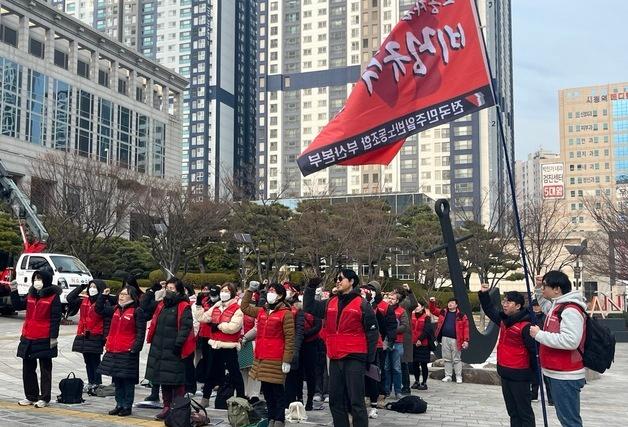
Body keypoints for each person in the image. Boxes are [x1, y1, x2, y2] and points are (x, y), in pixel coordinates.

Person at [304, 270, 378, 427]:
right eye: (336, 278)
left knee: (356, 401)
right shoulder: (331, 302)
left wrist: (369, 359)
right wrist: (310, 288)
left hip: (355, 356)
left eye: (340, 278)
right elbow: (309, 308)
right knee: (335, 400)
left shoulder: (362, 304)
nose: (337, 281)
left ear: (351, 281)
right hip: (335, 355)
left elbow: (372, 332)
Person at [529, 271, 587, 427]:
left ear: (557, 289)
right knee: (565, 418)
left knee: (569, 420)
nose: (543, 290)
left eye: (545, 286)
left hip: (566, 375)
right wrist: (538, 287)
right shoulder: (557, 306)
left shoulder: (570, 310)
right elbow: (544, 304)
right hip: (557, 372)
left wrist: (539, 335)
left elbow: (571, 341)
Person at [479, 284, 537, 427]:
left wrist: (535, 377)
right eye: (504, 301)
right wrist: (484, 294)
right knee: (512, 411)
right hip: (505, 372)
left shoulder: (526, 326)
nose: (504, 305)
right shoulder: (504, 319)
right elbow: (489, 310)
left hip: (520, 375)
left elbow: (533, 352)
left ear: (518, 306)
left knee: (524, 412)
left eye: (508, 302)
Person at [241, 281, 295, 427]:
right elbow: (245, 307)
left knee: (277, 390)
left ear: (280, 295)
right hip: (261, 356)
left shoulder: (286, 313)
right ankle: (271, 417)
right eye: (269, 290)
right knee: (267, 391)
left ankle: (279, 419)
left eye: (274, 291)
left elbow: (290, 338)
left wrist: (287, 360)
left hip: (276, 357)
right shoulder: (262, 311)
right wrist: (250, 291)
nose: (270, 293)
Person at [145, 278, 195, 421]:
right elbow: (145, 306)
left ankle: (178, 408)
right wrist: (153, 289)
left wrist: (178, 345)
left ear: (178, 290)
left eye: (172, 288)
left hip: (174, 349)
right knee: (164, 379)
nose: (168, 291)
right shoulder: (162, 304)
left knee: (176, 380)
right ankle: (166, 406)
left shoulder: (183, 306)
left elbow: (186, 328)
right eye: (167, 288)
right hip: (160, 347)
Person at [12, 269, 62, 408]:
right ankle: (30, 396)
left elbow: (55, 318)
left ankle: (44, 398)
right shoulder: (31, 294)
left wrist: (53, 337)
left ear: (46, 280)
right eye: (35, 279)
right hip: (28, 335)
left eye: (39, 279)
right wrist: (13, 290)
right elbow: (18, 306)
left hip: (44, 337)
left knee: (45, 369)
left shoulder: (53, 296)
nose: (36, 282)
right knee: (27, 368)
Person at [96, 286, 146, 416]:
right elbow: (99, 309)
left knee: (127, 381)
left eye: (125, 294)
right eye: (121, 294)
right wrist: (103, 296)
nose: (121, 296)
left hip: (128, 351)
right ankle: (119, 404)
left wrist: (135, 348)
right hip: (113, 350)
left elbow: (141, 332)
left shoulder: (137, 311)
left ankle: (127, 406)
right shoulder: (115, 309)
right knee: (117, 379)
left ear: (132, 297)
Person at [194, 282, 245, 403]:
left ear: (232, 293)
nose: (224, 293)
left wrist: (219, 326)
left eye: (227, 291)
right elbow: (202, 318)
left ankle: (241, 399)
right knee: (210, 372)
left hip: (228, 345)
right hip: (215, 344)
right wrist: (198, 304)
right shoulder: (216, 307)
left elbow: (234, 327)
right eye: (222, 290)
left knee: (234, 373)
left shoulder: (237, 308)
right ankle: (205, 399)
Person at [66, 279, 109, 394]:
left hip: (96, 335)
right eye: (91, 286)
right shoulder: (84, 300)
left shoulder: (104, 302)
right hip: (83, 335)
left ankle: (97, 383)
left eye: (95, 287)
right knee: (88, 361)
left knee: (95, 361)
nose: (92, 289)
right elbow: (69, 298)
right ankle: (91, 381)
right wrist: (81, 286)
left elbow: (107, 321)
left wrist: (105, 337)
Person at [360, 281, 396, 415]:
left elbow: (388, 327)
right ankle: (364, 396)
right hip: (360, 345)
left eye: (372, 290)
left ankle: (380, 396)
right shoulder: (360, 305)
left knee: (377, 372)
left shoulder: (383, 307)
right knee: (362, 374)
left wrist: (388, 342)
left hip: (377, 345)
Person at [429, 297, 469, 383]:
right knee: (447, 358)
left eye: (452, 302)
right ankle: (448, 376)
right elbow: (432, 310)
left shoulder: (461, 315)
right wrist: (432, 302)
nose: (450, 304)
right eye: (449, 302)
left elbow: (466, 328)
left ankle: (458, 376)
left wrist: (466, 340)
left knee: (456, 359)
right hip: (444, 338)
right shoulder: (443, 312)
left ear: (456, 305)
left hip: (456, 340)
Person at [194, 284, 220, 406]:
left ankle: (216, 382)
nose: (212, 296)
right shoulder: (206, 300)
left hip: (214, 335)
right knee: (205, 359)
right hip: (203, 334)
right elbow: (199, 316)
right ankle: (207, 382)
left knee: (213, 361)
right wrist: (199, 302)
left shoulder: (220, 304)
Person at [385, 291, 409, 399]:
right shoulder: (384, 309)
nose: (390, 300)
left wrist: (391, 330)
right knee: (386, 368)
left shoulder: (401, 311)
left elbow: (404, 326)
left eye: (393, 298)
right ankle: (386, 390)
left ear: (397, 300)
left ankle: (398, 391)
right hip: (385, 342)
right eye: (389, 298)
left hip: (397, 342)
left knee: (396, 368)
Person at [530, 300, 553, 405]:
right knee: (535, 374)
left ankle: (551, 398)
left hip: (545, 347)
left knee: (547, 375)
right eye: (534, 306)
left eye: (537, 306)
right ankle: (533, 394)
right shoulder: (530, 317)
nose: (536, 308)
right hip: (534, 348)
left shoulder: (546, 317)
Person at [398, 285, 418, 395]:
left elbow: (414, 304)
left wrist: (410, 291)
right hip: (395, 337)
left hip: (405, 336)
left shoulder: (405, 303)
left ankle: (406, 386)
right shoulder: (391, 304)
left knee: (403, 363)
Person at [410, 301, 433, 390]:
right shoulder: (411, 316)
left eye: (418, 305)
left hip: (423, 344)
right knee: (415, 363)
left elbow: (427, 330)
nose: (416, 307)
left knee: (423, 364)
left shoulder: (426, 317)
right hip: (413, 343)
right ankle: (416, 381)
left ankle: (424, 382)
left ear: (422, 307)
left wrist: (420, 339)